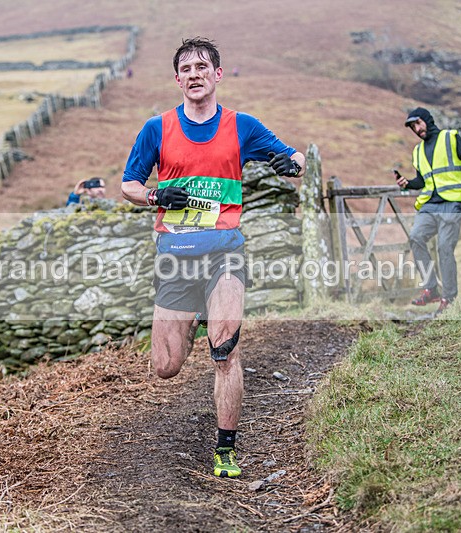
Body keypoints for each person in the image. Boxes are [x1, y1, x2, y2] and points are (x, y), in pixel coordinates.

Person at [120, 37, 305, 478]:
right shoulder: (156, 129)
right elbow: (127, 185)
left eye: (203, 66)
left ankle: (225, 449)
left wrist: (289, 164)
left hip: (225, 254)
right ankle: (193, 320)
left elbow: (294, 155)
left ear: (217, 75)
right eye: (186, 68)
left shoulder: (241, 126)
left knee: (224, 352)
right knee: (165, 368)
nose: (195, 74)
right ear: (177, 79)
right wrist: (153, 194)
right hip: (175, 257)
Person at [394, 107, 461, 312]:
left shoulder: (450, 138)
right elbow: (422, 180)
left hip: (453, 202)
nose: (417, 129)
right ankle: (431, 289)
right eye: (412, 127)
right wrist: (407, 183)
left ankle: (449, 298)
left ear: (427, 120)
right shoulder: (417, 151)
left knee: (444, 247)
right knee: (416, 236)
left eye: (418, 123)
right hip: (430, 205)